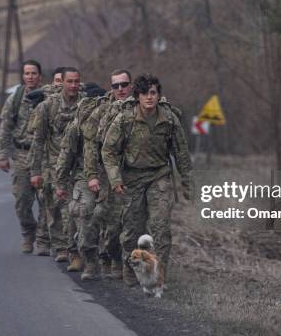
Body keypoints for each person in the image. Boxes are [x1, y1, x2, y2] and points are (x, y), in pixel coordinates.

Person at [101, 74, 191, 286]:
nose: (149, 97)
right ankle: (130, 267)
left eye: (153, 93)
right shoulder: (125, 118)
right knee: (132, 229)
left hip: (159, 176)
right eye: (144, 93)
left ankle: (158, 276)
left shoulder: (168, 119)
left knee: (161, 227)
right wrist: (115, 179)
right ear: (137, 96)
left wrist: (187, 182)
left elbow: (182, 153)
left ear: (158, 95)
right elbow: (109, 151)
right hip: (132, 177)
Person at [82, 69, 133, 279]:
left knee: (132, 223)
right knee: (109, 224)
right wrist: (92, 174)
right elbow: (90, 143)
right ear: (110, 87)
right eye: (115, 86)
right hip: (108, 175)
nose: (120, 89)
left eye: (124, 84)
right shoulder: (102, 109)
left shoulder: (142, 106)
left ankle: (130, 267)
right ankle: (111, 258)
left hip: (135, 175)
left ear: (131, 85)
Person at [30, 67, 84, 263]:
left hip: (79, 164)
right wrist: (35, 171)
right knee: (55, 206)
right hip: (54, 164)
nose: (73, 86)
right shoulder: (47, 106)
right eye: (69, 81)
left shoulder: (85, 104)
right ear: (62, 82)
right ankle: (62, 247)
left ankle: (75, 247)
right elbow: (38, 141)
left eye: (76, 82)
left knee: (76, 208)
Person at [55, 83, 107, 279]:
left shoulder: (115, 121)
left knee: (113, 222)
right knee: (84, 216)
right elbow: (66, 154)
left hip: (112, 177)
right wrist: (60, 183)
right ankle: (90, 262)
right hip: (83, 176)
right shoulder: (77, 125)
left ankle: (114, 261)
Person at [0, 60, 43, 254]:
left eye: (34, 73)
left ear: (39, 76)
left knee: (47, 201)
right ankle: (28, 232)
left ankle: (42, 238)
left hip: (44, 156)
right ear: (23, 76)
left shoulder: (47, 98)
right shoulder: (15, 99)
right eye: (27, 73)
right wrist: (3, 154)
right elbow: (5, 127)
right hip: (21, 154)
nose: (30, 77)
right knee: (22, 201)